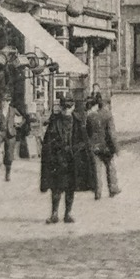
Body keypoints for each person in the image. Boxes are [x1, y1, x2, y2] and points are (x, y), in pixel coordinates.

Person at [40, 95, 95, 224]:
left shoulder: (78, 122)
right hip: (57, 160)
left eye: (69, 107)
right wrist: (53, 152)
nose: (66, 110)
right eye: (64, 107)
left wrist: (76, 149)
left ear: (73, 107)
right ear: (61, 107)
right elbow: (47, 142)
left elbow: (85, 141)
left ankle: (68, 214)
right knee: (56, 188)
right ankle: (54, 214)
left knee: (70, 188)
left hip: (72, 160)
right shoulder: (54, 122)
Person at [86, 93, 121, 197]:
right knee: (110, 167)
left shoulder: (90, 116)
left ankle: (98, 192)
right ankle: (113, 189)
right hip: (106, 147)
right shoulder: (108, 115)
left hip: (95, 146)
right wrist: (116, 148)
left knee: (96, 169)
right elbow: (111, 133)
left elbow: (88, 132)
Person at [0, 94, 24, 181]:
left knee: (9, 154)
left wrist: (18, 125)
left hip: (10, 134)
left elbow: (23, 118)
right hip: (0, 133)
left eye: (5, 101)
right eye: (1, 101)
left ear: (9, 102)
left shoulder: (13, 110)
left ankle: (8, 173)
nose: (3, 103)